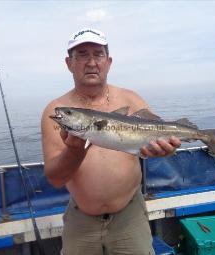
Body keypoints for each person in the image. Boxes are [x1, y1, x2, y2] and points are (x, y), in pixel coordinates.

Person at [41, 28, 181, 255]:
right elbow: (56, 179)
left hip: (130, 215)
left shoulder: (131, 99)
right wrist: (75, 151)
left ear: (109, 61)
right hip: (81, 220)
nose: (91, 62)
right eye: (83, 54)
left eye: (98, 54)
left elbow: (149, 144)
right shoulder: (56, 111)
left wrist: (162, 150)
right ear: (69, 63)